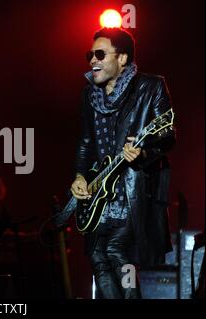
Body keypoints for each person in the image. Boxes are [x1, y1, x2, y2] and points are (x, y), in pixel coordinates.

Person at [68, 28, 175, 298]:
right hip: (99, 191)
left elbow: (167, 137)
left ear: (123, 59)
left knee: (116, 252)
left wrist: (143, 154)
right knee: (96, 255)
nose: (93, 60)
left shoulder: (150, 87)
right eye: (90, 54)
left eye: (100, 54)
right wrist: (80, 176)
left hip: (130, 191)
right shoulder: (88, 95)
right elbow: (85, 142)